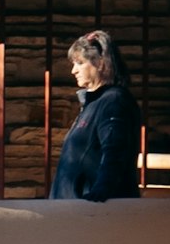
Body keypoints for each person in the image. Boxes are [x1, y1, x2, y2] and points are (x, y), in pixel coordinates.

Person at [50, 31, 141, 201]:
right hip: (73, 213)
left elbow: (114, 153)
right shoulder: (93, 103)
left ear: (100, 63)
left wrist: (98, 196)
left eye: (80, 63)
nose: (73, 71)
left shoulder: (114, 102)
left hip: (91, 215)